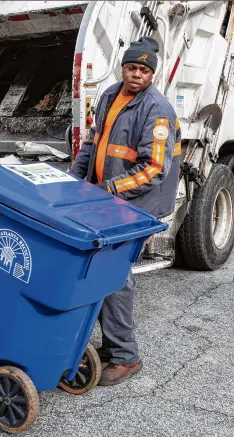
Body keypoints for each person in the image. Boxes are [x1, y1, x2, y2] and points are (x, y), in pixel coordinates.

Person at [70, 36, 181, 386]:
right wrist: (74, 182)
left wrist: (110, 189)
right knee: (99, 271)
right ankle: (113, 345)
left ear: (152, 74)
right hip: (105, 201)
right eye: (132, 67)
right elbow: (93, 143)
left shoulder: (157, 109)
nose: (137, 75)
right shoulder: (108, 96)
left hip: (133, 206)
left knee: (115, 277)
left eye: (145, 70)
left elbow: (154, 170)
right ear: (123, 67)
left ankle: (126, 357)